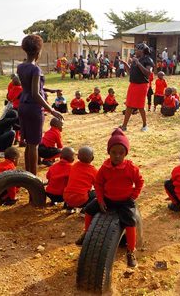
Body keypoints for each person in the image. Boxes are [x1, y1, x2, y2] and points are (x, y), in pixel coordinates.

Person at [77, 129, 144, 268]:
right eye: (114, 152)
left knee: (130, 222)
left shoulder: (131, 168)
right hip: (108, 199)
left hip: (125, 201)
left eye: (121, 153)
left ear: (126, 153)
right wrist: (100, 200)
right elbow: (98, 183)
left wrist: (133, 196)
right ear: (109, 152)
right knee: (88, 210)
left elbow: (140, 181)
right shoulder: (105, 167)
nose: (117, 156)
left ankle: (131, 251)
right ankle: (86, 234)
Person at [17, 34, 63, 175]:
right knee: (34, 145)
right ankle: (33, 179)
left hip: (23, 105)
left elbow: (30, 88)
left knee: (28, 144)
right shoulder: (35, 69)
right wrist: (52, 110)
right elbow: (36, 93)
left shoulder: (20, 67)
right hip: (33, 107)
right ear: (38, 52)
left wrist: (50, 90)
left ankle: (27, 175)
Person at [119, 43, 154, 132]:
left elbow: (148, 73)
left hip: (142, 85)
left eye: (137, 50)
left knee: (140, 106)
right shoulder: (136, 59)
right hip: (133, 84)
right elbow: (131, 72)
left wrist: (138, 63)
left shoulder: (148, 60)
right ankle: (124, 126)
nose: (135, 51)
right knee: (129, 105)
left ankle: (145, 125)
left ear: (142, 51)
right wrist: (126, 64)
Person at [63, 146, 97, 212]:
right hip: (81, 200)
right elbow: (97, 185)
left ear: (78, 157)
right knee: (97, 194)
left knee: (74, 189)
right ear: (92, 158)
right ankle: (84, 211)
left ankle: (69, 208)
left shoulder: (73, 166)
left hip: (67, 197)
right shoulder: (93, 170)